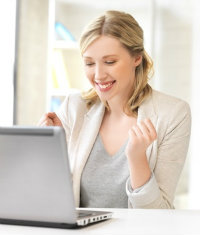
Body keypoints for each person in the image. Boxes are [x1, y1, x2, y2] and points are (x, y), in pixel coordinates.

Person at [38, 10, 191, 209]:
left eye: (110, 62)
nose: (99, 75)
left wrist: (137, 159)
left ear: (137, 58)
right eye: (89, 63)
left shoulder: (173, 114)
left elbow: (159, 214)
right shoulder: (74, 108)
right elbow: (53, 198)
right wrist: (50, 151)